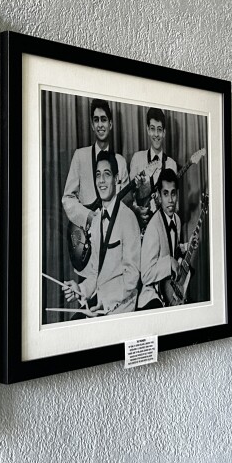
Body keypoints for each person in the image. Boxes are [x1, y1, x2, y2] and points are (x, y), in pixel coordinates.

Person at [62, 151, 140, 315]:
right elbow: (94, 274)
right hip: (100, 306)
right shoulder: (96, 221)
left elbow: (132, 276)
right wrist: (80, 289)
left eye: (107, 174)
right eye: (98, 175)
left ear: (117, 178)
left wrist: (105, 299)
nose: (101, 181)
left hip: (121, 309)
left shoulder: (128, 218)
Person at [61, 99, 129, 231]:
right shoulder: (80, 156)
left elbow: (126, 203)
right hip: (86, 233)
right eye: (96, 120)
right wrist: (87, 216)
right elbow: (68, 198)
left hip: (113, 232)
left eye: (103, 120)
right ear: (92, 125)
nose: (100, 125)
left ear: (110, 124)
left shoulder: (120, 162)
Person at [138, 169, 197, 309]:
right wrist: (169, 262)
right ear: (158, 195)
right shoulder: (153, 228)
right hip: (152, 294)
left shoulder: (176, 219)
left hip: (169, 290)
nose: (170, 200)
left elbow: (172, 247)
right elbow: (145, 276)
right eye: (165, 194)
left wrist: (187, 246)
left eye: (173, 193)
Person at [128, 107, 178, 229]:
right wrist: (137, 210)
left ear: (164, 132)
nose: (156, 134)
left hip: (162, 227)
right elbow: (129, 198)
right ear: (147, 130)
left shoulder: (171, 164)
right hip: (140, 227)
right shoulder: (137, 158)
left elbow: (175, 206)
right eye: (152, 129)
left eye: (159, 130)